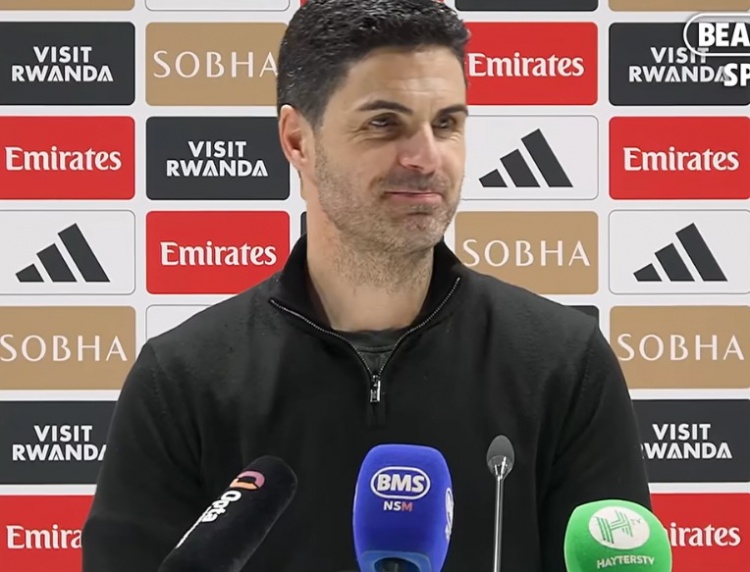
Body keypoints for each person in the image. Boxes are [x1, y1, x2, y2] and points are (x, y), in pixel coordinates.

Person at [80, 0, 652, 569]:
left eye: (446, 124)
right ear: (298, 140)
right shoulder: (181, 380)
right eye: (384, 123)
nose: (426, 157)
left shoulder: (564, 363)